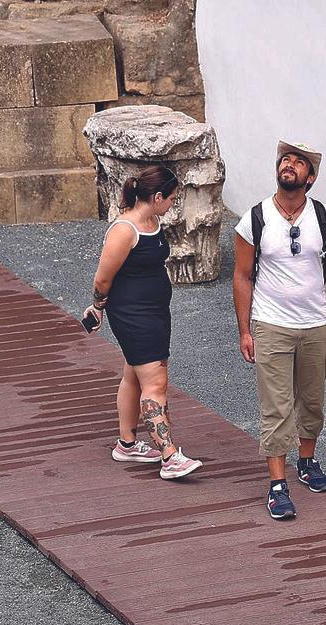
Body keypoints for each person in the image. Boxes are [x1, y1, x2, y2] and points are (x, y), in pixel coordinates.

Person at [232, 140, 326, 520]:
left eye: (299, 162)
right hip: (271, 326)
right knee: (277, 407)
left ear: (310, 177)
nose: (290, 165)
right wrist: (245, 330)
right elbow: (241, 276)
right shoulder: (254, 219)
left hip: (317, 325)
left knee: (312, 402)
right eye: (285, 159)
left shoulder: (323, 217)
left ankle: (307, 462)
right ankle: (277, 485)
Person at [83, 165, 203, 481]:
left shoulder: (152, 221)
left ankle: (126, 444)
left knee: (134, 376)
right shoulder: (125, 229)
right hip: (133, 316)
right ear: (158, 196)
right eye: (172, 198)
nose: (173, 204)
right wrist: (97, 308)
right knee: (156, 383)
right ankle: (169, 455)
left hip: (154, 312)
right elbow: (103, 277)